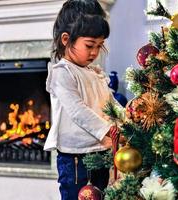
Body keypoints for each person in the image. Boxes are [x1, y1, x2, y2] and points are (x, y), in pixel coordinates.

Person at [44, 1, 116, 199]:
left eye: (99, 46)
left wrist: (126, 117)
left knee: (102, 194)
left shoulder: (94, 72)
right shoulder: (62, 73)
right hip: (76, 157)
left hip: (101, 150)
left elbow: (109, 101)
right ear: (66, 39)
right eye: (89, 45)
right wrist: (107, 130)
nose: (94, 52)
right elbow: (78, 110)